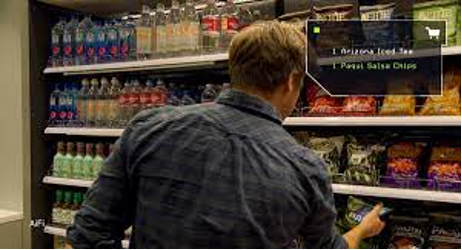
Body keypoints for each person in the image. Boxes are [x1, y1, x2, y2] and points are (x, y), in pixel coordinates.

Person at [68, 21, 385, 249]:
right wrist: (360, 231)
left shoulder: (148, 127)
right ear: (290, 82)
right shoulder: (304, 167)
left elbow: (86, 236)